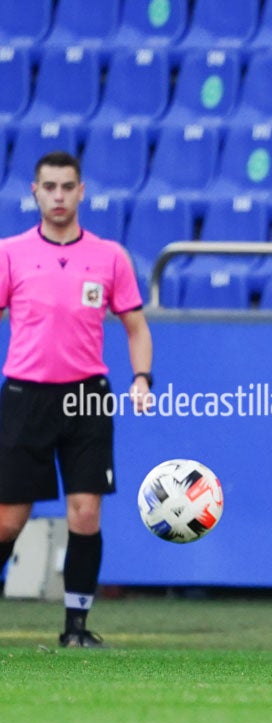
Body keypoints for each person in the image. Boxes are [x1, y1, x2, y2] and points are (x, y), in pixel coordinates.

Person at [0, 151, 154, 648]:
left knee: (85, 511)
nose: (59, 196)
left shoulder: (109, 256)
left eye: (68, 187)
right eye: (50, 187)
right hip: (25, 397)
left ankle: (76, 627)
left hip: (87, 396)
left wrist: (142, 378)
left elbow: (135, 326)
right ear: (35, 192)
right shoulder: (10, 253)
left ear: (82, 191)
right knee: (8, 519)